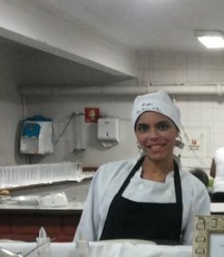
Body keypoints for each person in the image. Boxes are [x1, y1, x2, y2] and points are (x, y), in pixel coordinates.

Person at [76, 90, 210, 245]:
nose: (152, 136)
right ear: (136, 135)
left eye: (162, 126)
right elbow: (83, 241)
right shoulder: (107, 175)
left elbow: (195, 255)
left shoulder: (195, 191)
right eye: (143, 128)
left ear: (177, 131)